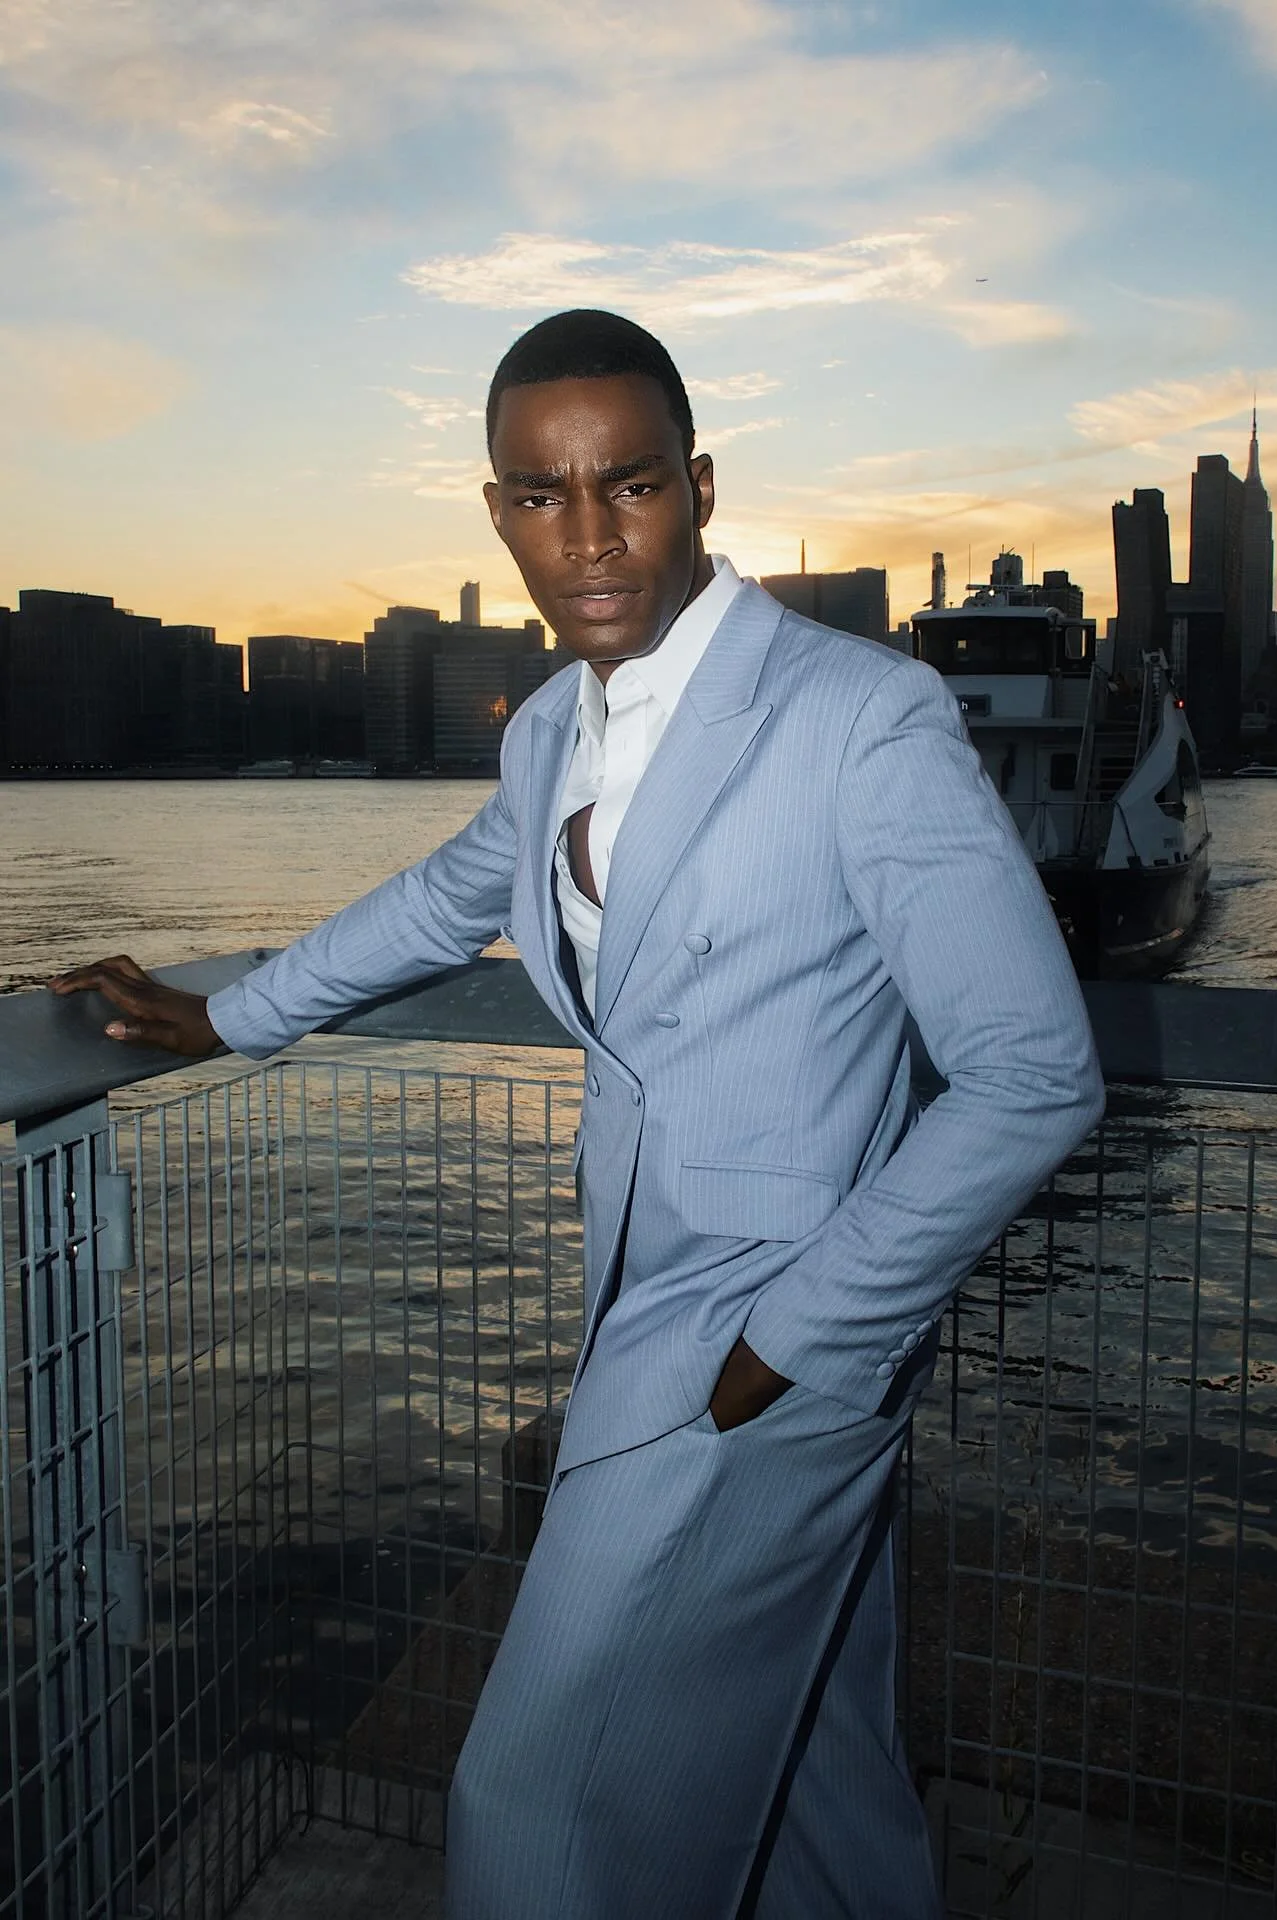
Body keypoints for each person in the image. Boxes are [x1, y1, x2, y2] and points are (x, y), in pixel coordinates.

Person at [51, 309, 1104, 1919]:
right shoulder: (554, 730)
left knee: (535, 1809)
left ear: (698, 484)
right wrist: (225, 1014)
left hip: (757, 1339)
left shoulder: (858, 717)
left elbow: (1034, 1073)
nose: (590, 538)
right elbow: (441, 901)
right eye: (544, 499)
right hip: (642, 1299)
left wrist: (805, 1329)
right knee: (816, 1758)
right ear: (497, 515)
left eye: (629, 487)